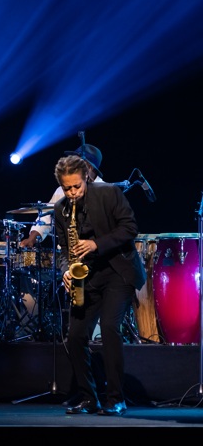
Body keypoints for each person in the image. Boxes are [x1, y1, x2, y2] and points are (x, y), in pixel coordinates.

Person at [53, 154, 146, 416]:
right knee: (75, 336)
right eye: (66, 188)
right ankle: (88, 397)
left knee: (108, 328)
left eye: (76, 187)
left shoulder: (109, 193)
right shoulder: (60, 210)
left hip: (118, 271)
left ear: (87, 179)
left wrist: (96, 244)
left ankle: (115, 399)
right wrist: (65, 272)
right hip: (86, 277)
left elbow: (130, 228)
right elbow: (64, 250)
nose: (71, 193)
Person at [19, 144, 105, 249]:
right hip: (67, 255)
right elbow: (46, 217)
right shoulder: (62, 190)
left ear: (89, 167)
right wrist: (31, 238)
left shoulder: (105, 191)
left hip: (97, 254)